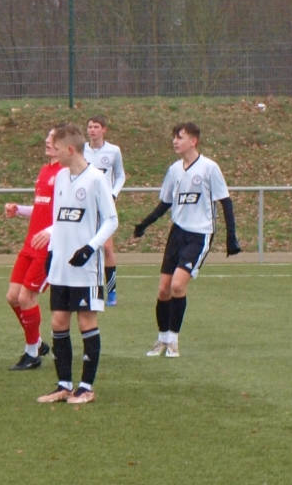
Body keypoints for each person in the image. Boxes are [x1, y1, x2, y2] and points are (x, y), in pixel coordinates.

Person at [130, 122, 241, 358]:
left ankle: (173, 341)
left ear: (193, 141)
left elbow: (225, 201)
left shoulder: (209, 168)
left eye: (180, 137)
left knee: (177, 286)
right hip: (177, 233)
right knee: (163, 290)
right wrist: (144, 224)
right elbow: (165, 203)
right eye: (174, 137)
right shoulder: (174, 170)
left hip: (199, 234)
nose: (175, 141)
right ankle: (162, 339)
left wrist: (231, 237)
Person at [36, 123, 117, 405]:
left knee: (85, 321)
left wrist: (90, 248)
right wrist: (51, 251)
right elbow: (59, 220)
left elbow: (111, 220)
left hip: (86, 267)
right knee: (58, 321)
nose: (54, 152)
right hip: (62, 264)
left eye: (57, 148)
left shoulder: (96, 179)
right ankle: (64, 385)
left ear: (70, 149)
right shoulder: (60, 177)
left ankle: (86, 387)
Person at [3, 130, 65, 370]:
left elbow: (67, 215)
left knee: (26, 297)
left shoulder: (65, 173)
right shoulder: (44, 170)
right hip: (30, 244)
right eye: (47, 137)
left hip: (48, 248)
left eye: (53, 138)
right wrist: (19, 209)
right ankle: (37, 343)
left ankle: (32, 354)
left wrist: (50, 232)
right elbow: (42, 208)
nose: (47, 141)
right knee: (13, 297)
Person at [84, 116, 126, 304]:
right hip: (86, 205)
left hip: (105, 205)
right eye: (90, 127)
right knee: (86, 246)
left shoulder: (113, 151)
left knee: (107, 247)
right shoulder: (81, 150)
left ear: (104, 130)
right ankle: (90, 289)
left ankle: (111, 291)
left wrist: (113, 194)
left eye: (96, 127)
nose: (92, 130)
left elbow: (120, 175)